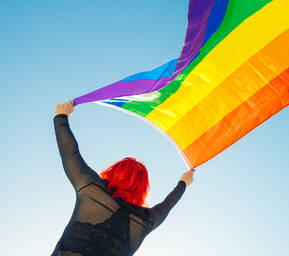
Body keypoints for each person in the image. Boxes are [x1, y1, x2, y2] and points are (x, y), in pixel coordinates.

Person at [51, 99, 195, 256]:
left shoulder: (91, 187)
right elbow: (168, 204)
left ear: (113, 173)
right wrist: (183, 182)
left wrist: (61, 118)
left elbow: (70, 152)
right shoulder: (145, 220)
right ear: (142, 188)